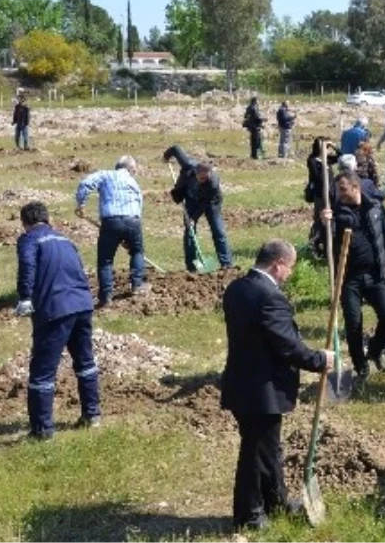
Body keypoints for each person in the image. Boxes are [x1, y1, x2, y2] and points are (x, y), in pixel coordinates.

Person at [220, 239, 333, 531]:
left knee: (268, 449)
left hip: (242, 382)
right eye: (290, 268)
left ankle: (276, 501)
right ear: (278, 264)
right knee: (255, 452)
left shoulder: (237, 288)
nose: (290, 274)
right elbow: (286, 346)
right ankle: (249, 516)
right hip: (262, 388)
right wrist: (320, 359)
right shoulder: (271, 297)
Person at [13, 201, 101, 440]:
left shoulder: (29, 239)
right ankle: (92, 415)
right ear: (47, 218)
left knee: (42, 371)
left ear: (25, 223)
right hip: (82, 304)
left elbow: (27, 265)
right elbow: (80, 269)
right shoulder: (65, 239)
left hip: (55, 309)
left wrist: (25, 297)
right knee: (85, 362)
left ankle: (42, 430)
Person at [321, 170, 385, 385]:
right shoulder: (337, 214)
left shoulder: (375, 208)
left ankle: (375, 351)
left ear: (355, 188)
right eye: (338, 191)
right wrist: (325, 225)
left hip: (376, 275)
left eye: (343, 190)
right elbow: (323, 244)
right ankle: (361, 366)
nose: (339, 195)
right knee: (354, 324)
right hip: (349, 279)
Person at [75, 156, 148, 307]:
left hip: (110, 222)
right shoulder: (133, 182)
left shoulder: (105, 175)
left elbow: (86, 183)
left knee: (105, 260)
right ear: (130, 169)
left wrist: (81, 204)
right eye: (134, 170)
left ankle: (106, 297)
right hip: (133, 221)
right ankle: (137, 285)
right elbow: (139, 203)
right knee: (137, 252)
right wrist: (129, 235)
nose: (134, 172)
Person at [165, 145, 233, 272]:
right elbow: (175, 149)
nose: (203, 180)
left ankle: (226, 264)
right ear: (196, 172)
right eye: (201, 178)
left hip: (211, 202)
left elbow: (204, 203)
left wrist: (193, 217)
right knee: (189, 231)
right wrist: (166, 156)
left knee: (218, 230)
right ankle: (191, 266)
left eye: (205, 179)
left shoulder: (212, 183)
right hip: (191, 198)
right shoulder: (188, 165)